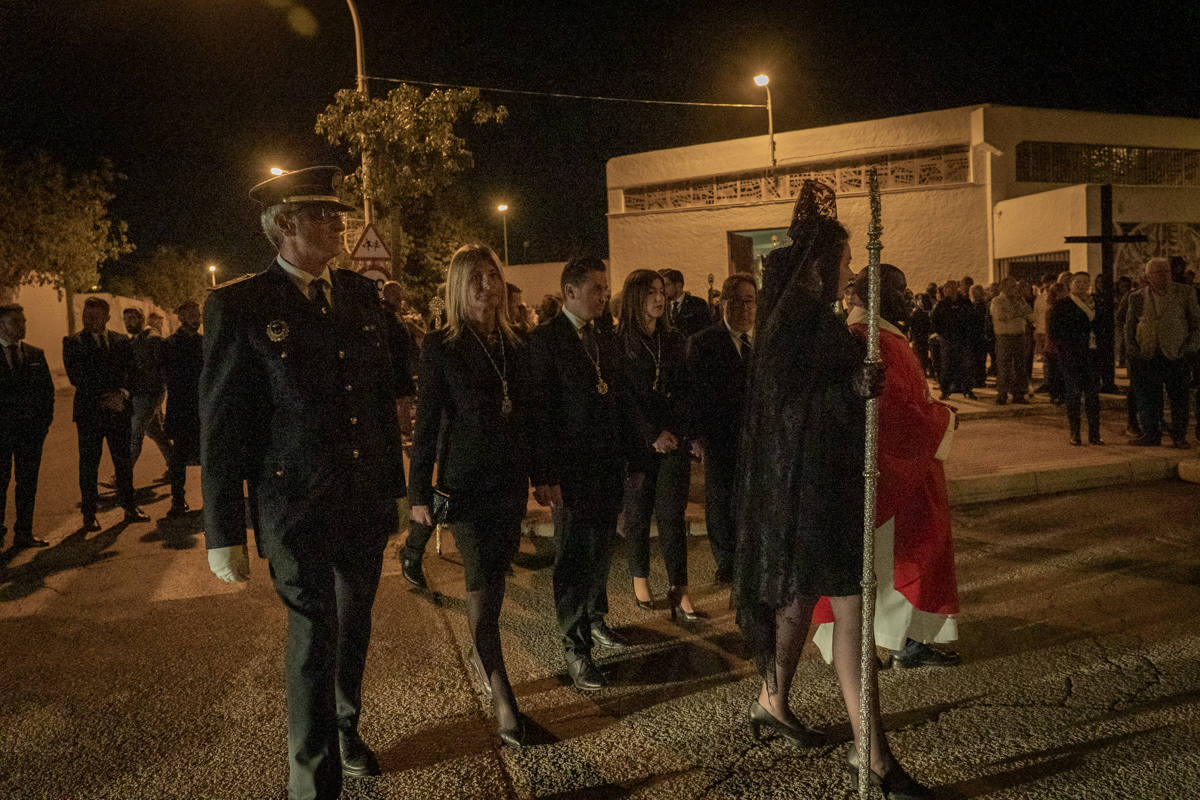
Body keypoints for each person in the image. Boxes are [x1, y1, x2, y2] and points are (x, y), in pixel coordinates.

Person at [200, 166, 412, 800]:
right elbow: (221, 426)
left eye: (339, 214)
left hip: (363, 497)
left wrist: (396, 487)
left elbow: (377, 402)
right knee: (314, 633)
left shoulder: (358, 295)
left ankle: (346, 727)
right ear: (283, 226)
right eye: (323, 215)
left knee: (356, 622)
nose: (339, 223)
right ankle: (311, 783)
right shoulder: (240, 304)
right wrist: (223, 530)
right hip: (294, 505)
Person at [733, 181, 929, 798]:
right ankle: (870, 753)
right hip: (812, 490)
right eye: (845, 260)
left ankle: (773, 698)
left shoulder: (810, 315)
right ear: (821, 259)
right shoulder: (794, 318)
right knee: (850, 609)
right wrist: (849, 390)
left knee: (800, 595)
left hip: (820, 487)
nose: (850, 271)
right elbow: (786, 409)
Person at [409, 244, 531, 747]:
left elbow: (532, 418)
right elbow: (427, 423)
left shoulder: (518, 344)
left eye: (492, 276)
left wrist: (543, 473)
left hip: (511, 482)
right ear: (459, 287)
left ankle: (488, 656)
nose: (487, 285)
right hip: (466, 484)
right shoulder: (441, 346)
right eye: (475, 278)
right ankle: (500, 685)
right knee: (481, 581)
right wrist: (419, 490)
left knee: (496, 578)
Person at [813, 264, 960, 670]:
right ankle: (893, 643)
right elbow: (890, 414)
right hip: (890, 473)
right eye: (900, 290)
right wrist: (942, 419)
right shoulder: (872, 341)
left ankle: (894, 641)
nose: (908, 297)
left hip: (903, 471)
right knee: (892, 563)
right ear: (875, 295)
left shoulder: (880, 337)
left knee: (891, 562)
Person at [528, 255, 640, 692]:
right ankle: (575, 646)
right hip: (569, 471)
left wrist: (632, 458)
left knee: (600, 550)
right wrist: (544, 473)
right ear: (570, 290)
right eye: (596, 287)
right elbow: (539, 412)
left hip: (606, 465)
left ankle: (595, 619)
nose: (604, 294)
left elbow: (618, 401)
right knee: (574, 556)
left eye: (606, 287)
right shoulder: (545, 340)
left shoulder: (603, 337)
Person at [616, 269, 697, 620]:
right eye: (651, 292)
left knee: (671, 516)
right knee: (637, 513)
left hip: (673, 439)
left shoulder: (676, 339)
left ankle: (680, 587)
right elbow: (624, 399)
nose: (659, 298)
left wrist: (676, 432)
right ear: (636, 297)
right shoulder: (620, 342)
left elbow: (685, 390)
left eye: (661, 291)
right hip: (637, 443)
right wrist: (651, 434)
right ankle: (639, 576)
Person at [686, 273, 756, 585]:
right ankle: (725, 560)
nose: (745, 308)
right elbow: (694, 392)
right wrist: (697, 435)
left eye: (751, 301)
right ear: (724, 304)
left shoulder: (758, 343)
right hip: (720, 435)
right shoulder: (704, 343)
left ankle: (749, 555)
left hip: (754, 437)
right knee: (721, 500)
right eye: (739, 301)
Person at [63, 296, 149, 530]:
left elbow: (133, 373)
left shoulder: (121, 341)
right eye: (85, 316)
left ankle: (130, 507)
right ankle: (89, 515)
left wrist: (121, 394)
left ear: (107, 317)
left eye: (93, 316)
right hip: (90, 413)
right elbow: (78, 377)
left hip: (119, 411)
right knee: (89, 465)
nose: (87, 320)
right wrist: (107, 398)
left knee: (122, 463)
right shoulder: (73, 343)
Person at [1125, 256, 1200, 448]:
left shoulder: (1185, 293)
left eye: (1167, 271)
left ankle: (1179, 436)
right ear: (1148, 276)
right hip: (1148, 352)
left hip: (1176, 353)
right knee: (1149, 397)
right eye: (1159, 272)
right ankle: (1151, 434)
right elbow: (1130, 325)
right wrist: (1132, 348)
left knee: (1179, 398)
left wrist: (1190, 347)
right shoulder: (1137, 296)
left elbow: (1195, 324)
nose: (1164, 275)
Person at [0, 304, 55, 548]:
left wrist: (41, 427)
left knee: (27, 484)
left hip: (29, 434)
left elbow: (47, 394)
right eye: (15, 322)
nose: (22, 326)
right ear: (1, 325)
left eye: (23, 321)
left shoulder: (35, 354)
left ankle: (24, 532)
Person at [1049, 273, 1104, 446]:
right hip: (1071, 356)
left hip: (1092, 355)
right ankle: (1075, 433)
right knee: (1073, 394)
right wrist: (1064, 350)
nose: (1081, 285)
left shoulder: (1096, 304)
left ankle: (1094, 434)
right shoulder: (1062, 305)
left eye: (1085, 282)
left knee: (1092, 395)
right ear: (1070, 285)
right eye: (1077, 282)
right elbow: (1054, 332)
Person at [162, 301, 203, 516]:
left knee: (206, 457)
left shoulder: (204, 343)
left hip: (201, 409)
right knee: (178, 459)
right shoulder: (170, 344)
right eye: (192, 315)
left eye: (197, 314)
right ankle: (177, 500)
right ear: (181, 318)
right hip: (181, 409)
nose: (196, 319)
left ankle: (210, 500)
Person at [123, 307, 171, 473]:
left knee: (134, 433)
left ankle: (122, 476)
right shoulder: (133, 341)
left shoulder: (152, 339)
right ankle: (175, 466)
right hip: (140, 394)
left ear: (141, 319)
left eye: (132, 318)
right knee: (155, 432)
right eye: (126, 319)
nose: (128, 322)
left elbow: (162, 368)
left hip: (150, 394)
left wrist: (158, 392)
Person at [989, 277, 1034, 405]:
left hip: (1019, 335)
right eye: (1010, 286)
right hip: (1004, 336)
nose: (1013, 289)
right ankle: (1002, 394)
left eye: (1014, 286)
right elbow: (1000, 316)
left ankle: (1019, 394)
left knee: (1020, 366)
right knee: (1004, 367)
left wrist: (1020, 309)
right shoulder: (997, 301)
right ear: (1003, 287)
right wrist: (1017, 312)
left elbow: (1029, 314)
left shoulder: (1020, 300)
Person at [930, 280, 976, 400]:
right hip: (948, 339)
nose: (948, 291)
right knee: (947, 366)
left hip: (963, 339)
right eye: (946, 289)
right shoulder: (941, 304)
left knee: (966, 366)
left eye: (951, 288)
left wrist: (969, 333)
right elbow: (934, 320)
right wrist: (941, 333)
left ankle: (968, 390)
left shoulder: (965, 302)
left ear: (956, 289)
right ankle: (945, 391)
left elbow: (972, 318)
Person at [659, 268, 711, 339]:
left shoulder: (697, 303)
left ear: (678, 286)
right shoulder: (662, 305)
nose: (664, 289)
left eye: (667, 285)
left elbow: (706, 331)